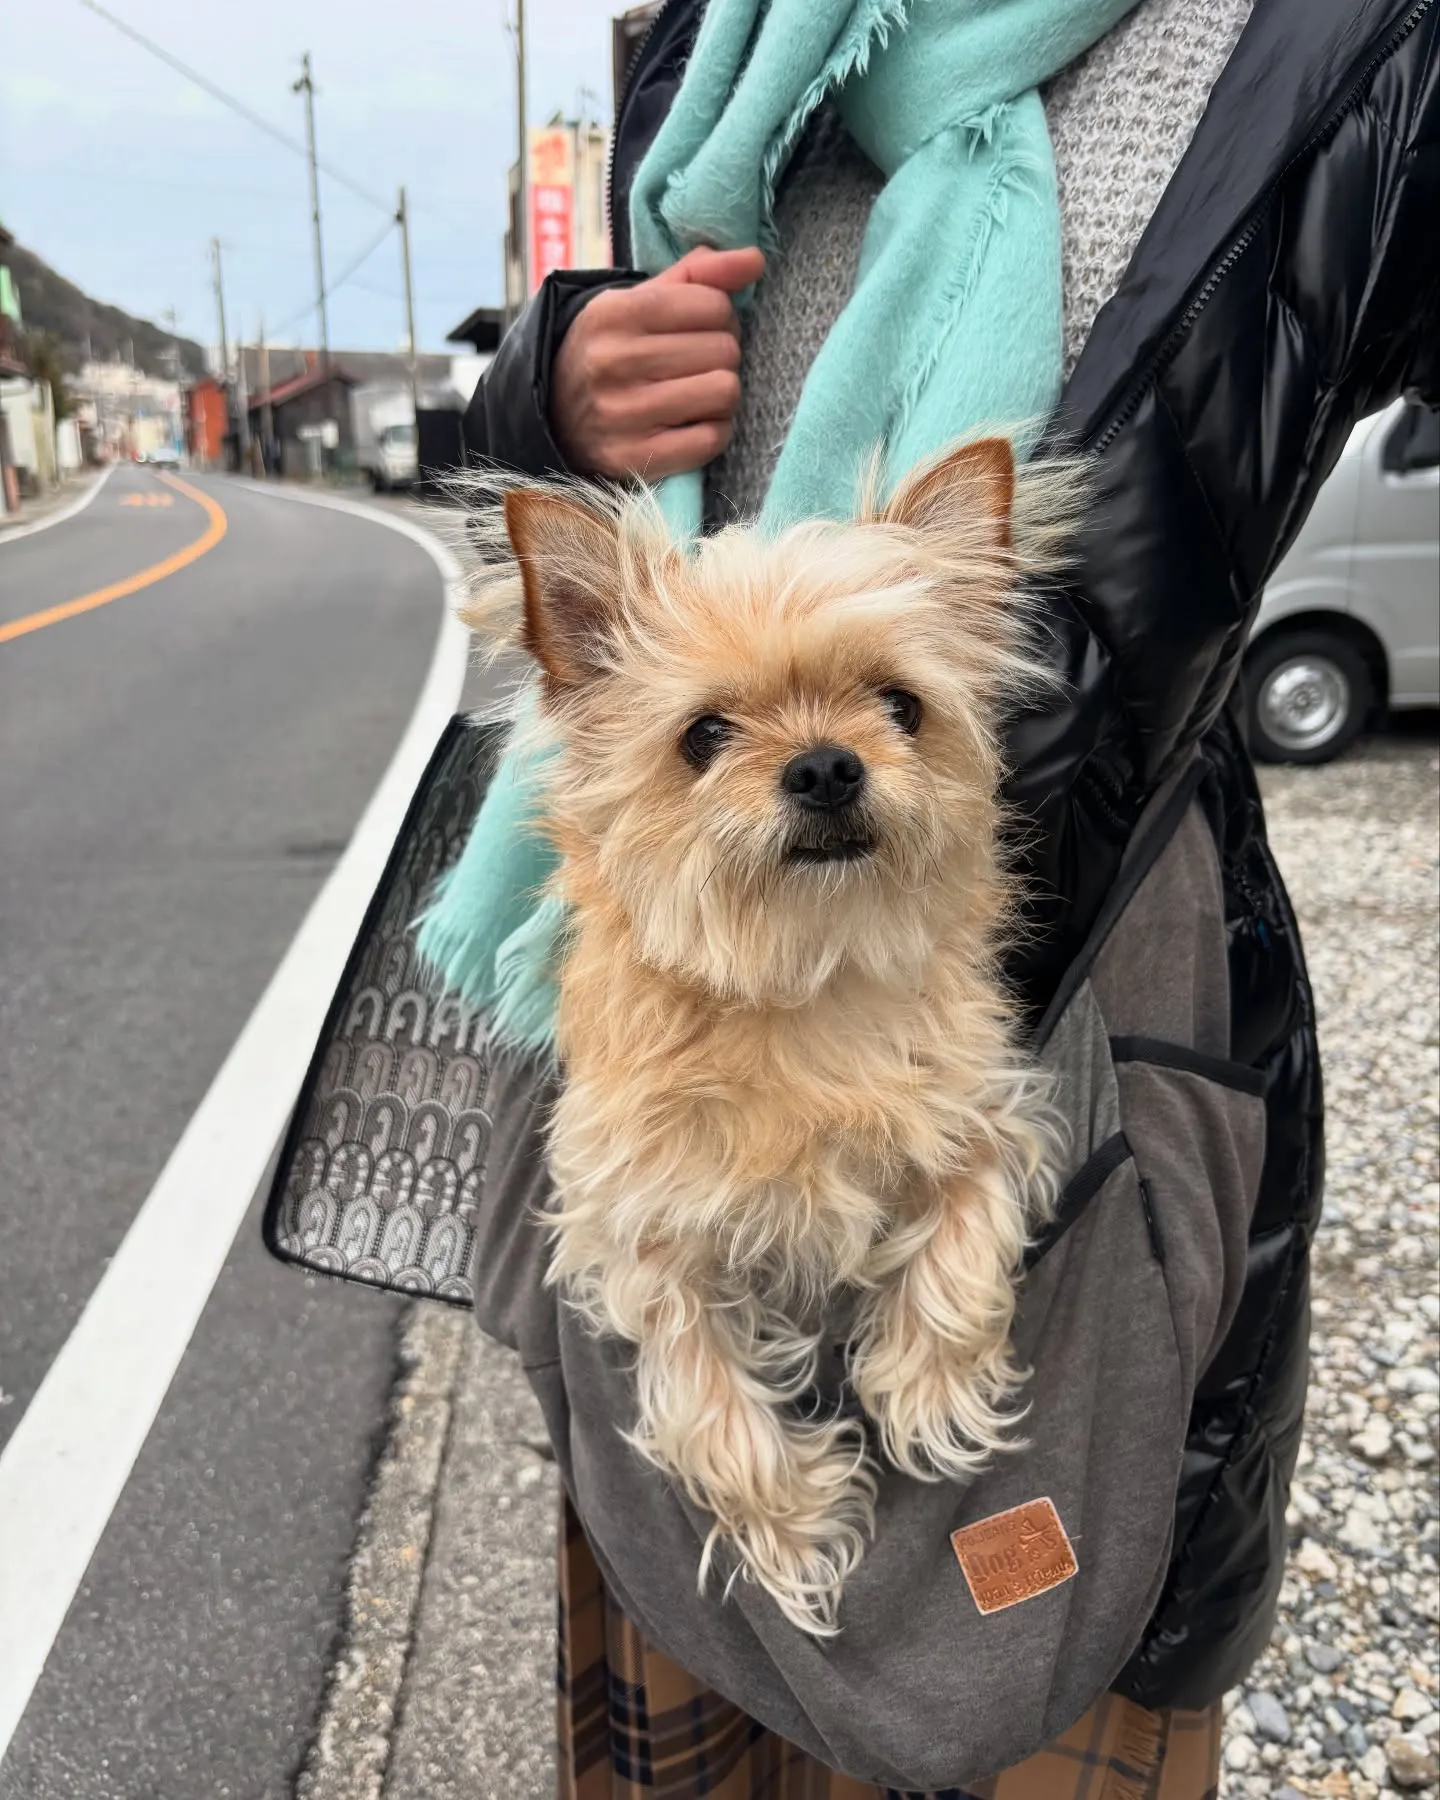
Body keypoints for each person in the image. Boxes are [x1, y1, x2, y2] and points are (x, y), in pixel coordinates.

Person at [460, 0, 1440, 1792]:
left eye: (879, 715)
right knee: (707, 1665)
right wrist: (551, 376)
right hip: (664, 979)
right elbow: (589, 437)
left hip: (1097, 969)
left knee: (1053, 1648)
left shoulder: (1345, 32)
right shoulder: (716, 38)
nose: (821, 754)